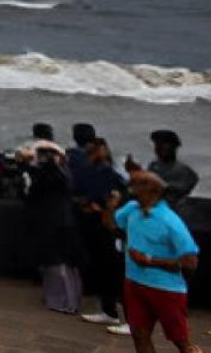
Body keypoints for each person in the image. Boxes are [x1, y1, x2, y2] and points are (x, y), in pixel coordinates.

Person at [115, 170, 199, 353]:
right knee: (139, 334)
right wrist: (111, 204)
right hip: (135, 283)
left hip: (165, 289)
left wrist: (150, 261)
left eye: (140, 184)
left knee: (181, 341)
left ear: (154, 191)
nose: (134, 188)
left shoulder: (170, 220)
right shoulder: (131, 209)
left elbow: (190, 261)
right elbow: (112, 224)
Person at [23, 139, 86, 314]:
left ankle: (62, 301)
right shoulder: (64, 173)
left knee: (55, 263)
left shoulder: (47, 175)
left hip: (52, 223)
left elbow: (34, 192)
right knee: (67, 264)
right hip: (65, 221)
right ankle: (69, 300)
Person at [73, 134, 130, 328]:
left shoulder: (109, 172)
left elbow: (118, 196)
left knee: (113, 272)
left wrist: (103, 207)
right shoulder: (93, 170)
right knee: (102, 271)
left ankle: (124, 317)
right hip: (94, 226)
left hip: (107, 228)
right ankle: (108, 310)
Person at [146, 133, 198, 204]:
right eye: (157, 145)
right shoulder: (153, 166)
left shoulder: (184, 171)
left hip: (174, 207)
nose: (159, 148)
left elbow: (180, 190)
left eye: (164, 145)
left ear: (174, 148)